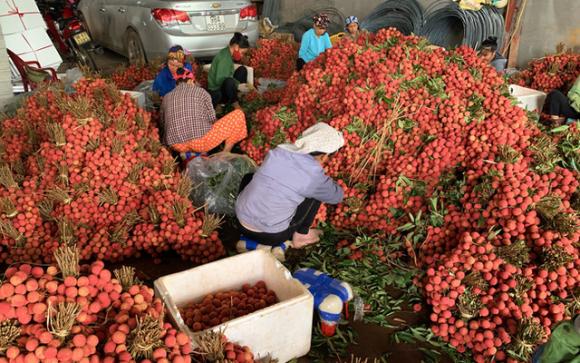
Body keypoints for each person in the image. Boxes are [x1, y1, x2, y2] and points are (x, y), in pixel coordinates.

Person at [235, 123, 345, 249]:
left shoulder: (279, 151)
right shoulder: (314, 177)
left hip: (240, 222)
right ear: (324, 156)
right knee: (317, 194)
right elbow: (337, 196)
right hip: (271, 235)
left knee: (250, 177)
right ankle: (301, 236)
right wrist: (327, 181)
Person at [162, 68, 247, 158]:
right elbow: (212, 119)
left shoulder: (166, 97)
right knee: (239, 114)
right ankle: (225, 153)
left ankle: (188, 153)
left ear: (176, 83)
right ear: (191, 81)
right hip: (200, 143)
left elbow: (163, 123)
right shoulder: (201, 92)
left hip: (177, 145)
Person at [208, 32, 250, 109]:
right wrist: (237, 85)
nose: (242, 55)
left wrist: (237, 85)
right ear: (236, 47)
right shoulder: (224, 58)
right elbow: (220, 81)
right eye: (242, 53)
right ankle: (235, 104)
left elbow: (228, 75)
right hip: (217, 93)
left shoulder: (228, 52)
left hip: (225, 85)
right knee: (229, 81)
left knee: (242, 70)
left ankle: (237, 96)